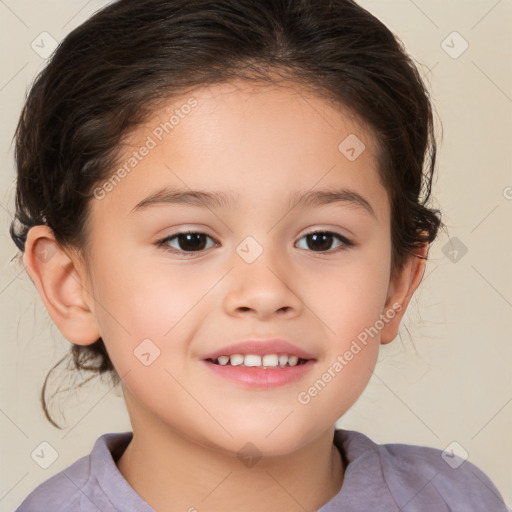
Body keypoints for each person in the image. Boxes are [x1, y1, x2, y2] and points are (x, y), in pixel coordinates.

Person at [10, 0, 508, 510]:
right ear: (70, 285)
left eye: (321, 239)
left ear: (398, 282)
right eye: (190, 240)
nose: (266, 292)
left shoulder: (457, 498)